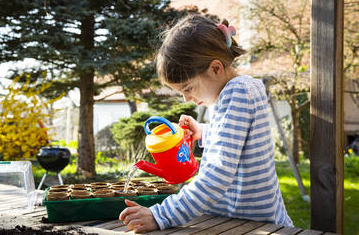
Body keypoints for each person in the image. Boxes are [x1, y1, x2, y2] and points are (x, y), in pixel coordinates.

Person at [119, 14, 293, 233]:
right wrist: (203, 131)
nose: (186, 99)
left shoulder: (237, 92)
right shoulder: (239, 90)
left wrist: (161, 214)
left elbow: (217, 175)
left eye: (188, 88)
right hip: (238, 221)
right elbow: (238, 138)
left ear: (215, 69)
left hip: (255, 226)